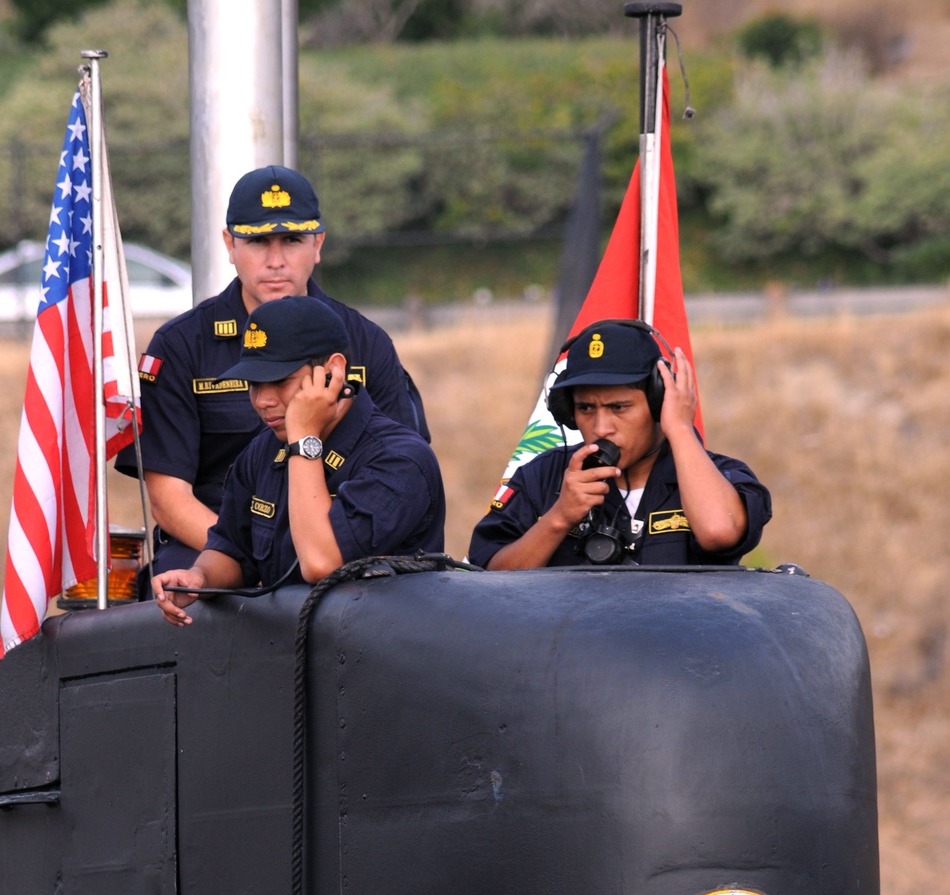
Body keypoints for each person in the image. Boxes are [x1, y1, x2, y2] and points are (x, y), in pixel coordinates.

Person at [117, 165, 429, 574]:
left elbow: (401, 473)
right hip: (215, 543)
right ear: (230, 245)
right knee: (185, 594)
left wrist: (308, 551)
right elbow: (169, 499)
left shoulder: (367, 343)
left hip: (346, 540)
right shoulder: (180, 346)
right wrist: (255, 559)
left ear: (318, 243)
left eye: (292, 240)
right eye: (258, 241)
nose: (276, 260)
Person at [153, 298, 444, 626]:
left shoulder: (400, 459)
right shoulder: (262, 450)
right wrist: (199, 578)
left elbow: (321, 563)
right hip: (291, 657)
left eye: (279, 381)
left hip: (385, 658)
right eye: (253, 385)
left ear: (333, 371)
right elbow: (234, 548)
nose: (263, 400)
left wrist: (304, 438)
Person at [468, 320, 770, 570]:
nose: (601, 428)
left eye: (619, 408)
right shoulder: (541, 478)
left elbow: (719, 532)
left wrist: (679, 428)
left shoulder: (719, 475)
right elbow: (494, 581)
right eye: (586, 409)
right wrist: (559, 518)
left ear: (658, 402)